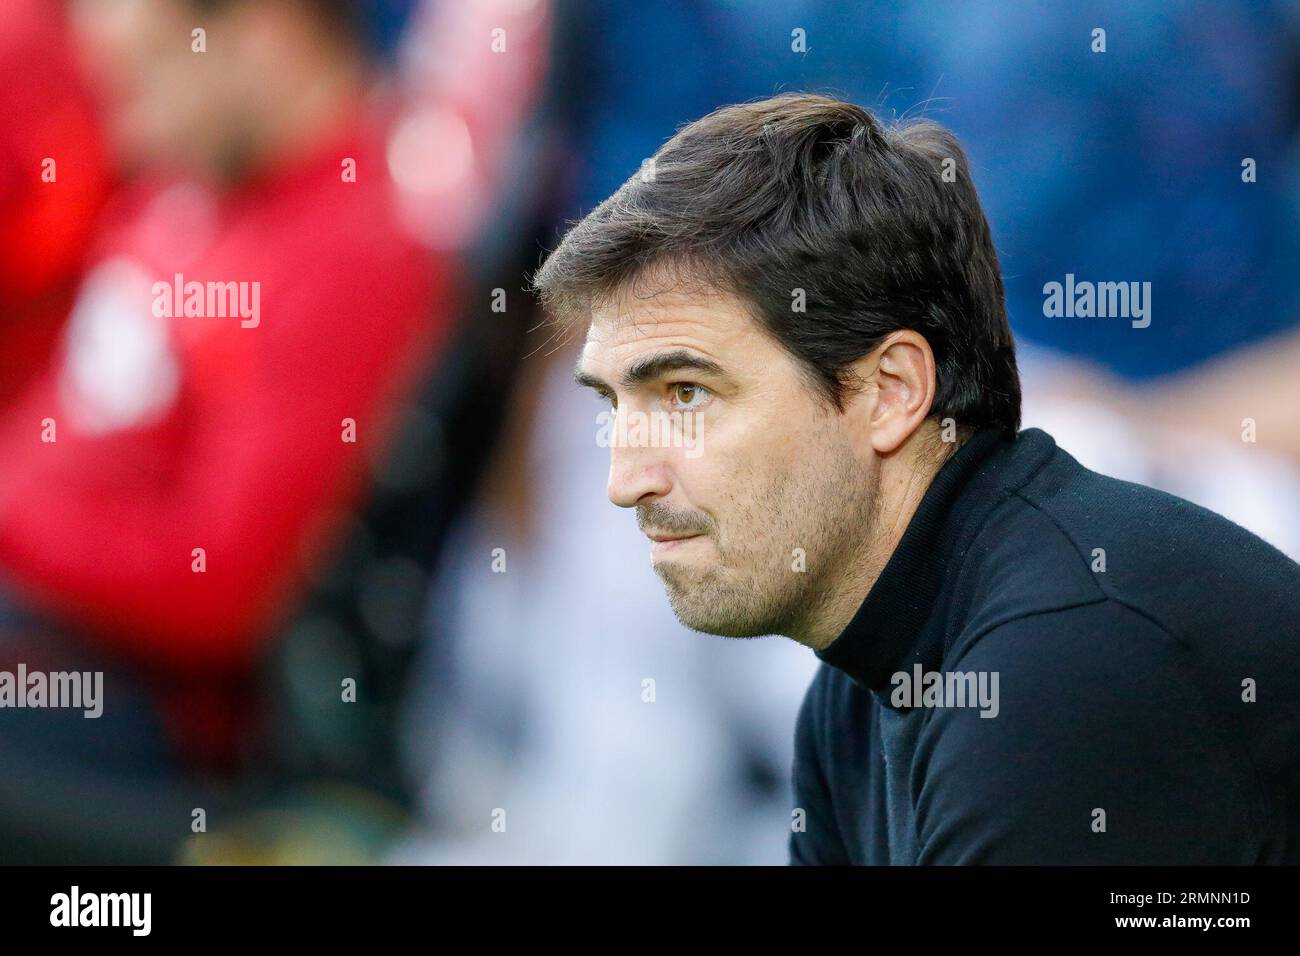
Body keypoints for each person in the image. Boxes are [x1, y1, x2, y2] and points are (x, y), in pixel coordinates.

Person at [529, 92, 1300, 864]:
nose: (624, 483)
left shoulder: (1054, 670)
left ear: (892, 391)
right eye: (612, 403)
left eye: (686, 394)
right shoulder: (860, 684)